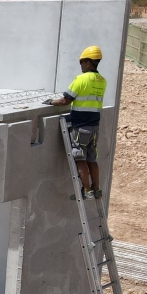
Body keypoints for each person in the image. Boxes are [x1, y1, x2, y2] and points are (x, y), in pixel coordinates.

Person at [50, 46, 107, 199]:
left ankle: (86, 190)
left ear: (88, 63)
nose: (81, 66)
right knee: (92, 158)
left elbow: (65, 100)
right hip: (95, 126)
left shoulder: (80, 79)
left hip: (81, 126)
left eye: (82, 63)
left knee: (80, 157)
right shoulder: (102, 81)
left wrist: (51, 102)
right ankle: (96, 189)